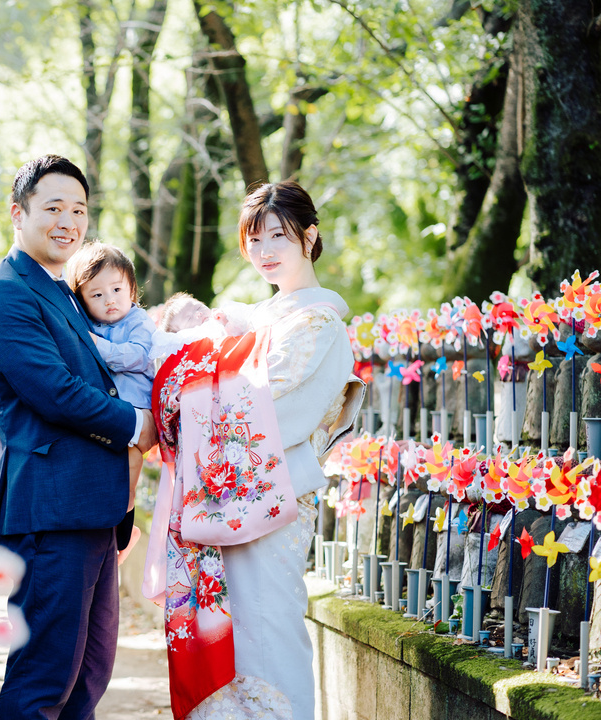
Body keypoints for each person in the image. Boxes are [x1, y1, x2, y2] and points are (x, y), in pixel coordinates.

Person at [144, 181, 363, 720]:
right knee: (231, 632)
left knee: (268, 632)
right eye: (255, 239)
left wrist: (188, 389)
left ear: (309, 237)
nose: (265, 251)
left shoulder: (319, 323)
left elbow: (271, 406)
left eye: (278, 237)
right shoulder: (257, 319)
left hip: (273, 499)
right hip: (226, 496)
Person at [0, 154, 158, 719]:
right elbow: (55, 391)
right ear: (18, 213)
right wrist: (137, 424)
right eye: (53, 208)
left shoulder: (65, 292)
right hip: (49, 514)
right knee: (44, 678)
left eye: (79, 210)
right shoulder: (5, 295)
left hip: (93, 510)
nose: (68, 222)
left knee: (86, 677)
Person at [67, 241, 157, 558]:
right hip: (107, 416)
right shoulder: (90, 325)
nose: (110, 300)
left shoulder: (138, 321)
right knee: (103, 477)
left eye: (117, 289)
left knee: (129, 475)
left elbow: (138, 356)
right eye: (96, 295)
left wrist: (96, 346)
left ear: (131, 288)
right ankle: (112, 533)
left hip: (135, 413)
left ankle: (123, 533)